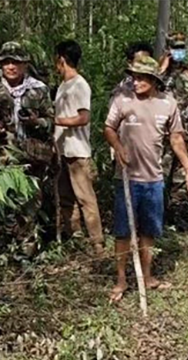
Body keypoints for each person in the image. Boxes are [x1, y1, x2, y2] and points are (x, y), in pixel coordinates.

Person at [104, 55, 188, 303]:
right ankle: (121, 279)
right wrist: (118, 147)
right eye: (134, 77)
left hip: (153, 179)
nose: (136, 82)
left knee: (149, 231)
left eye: (141, 78)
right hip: (126, 178)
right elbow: (109, 128)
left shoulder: (168, 103)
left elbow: (176, 138)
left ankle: (146, 276)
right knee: (123, 232)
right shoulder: (122, 99)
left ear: (154, 80)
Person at [54, 39, 104, 255]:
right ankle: (74, 237)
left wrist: (56, 121)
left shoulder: (80, 85)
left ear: (61, 59)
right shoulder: (63, 86)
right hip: (63, 150)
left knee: (86, 199)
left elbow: (83, 118)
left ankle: (97, 243)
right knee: (66, 198)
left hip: (78, 150)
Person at [0, 42, 54, 171]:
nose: (11, 67)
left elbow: (51, 121)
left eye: (16, 62)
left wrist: (36, 122)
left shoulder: (38, 89)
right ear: (1, 65)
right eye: (6, 62)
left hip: (34, 158)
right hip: (0, 157)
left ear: (25, 65)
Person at [160, 32, 188, 232]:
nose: (179, 52)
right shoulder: (161, 74)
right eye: (175, 47)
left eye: (182, 48)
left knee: (183, 174)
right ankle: (158, 216)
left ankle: (176, 215)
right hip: (164, 134)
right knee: (161, 174)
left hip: (186, 132)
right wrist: (162, 69)